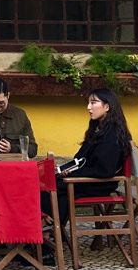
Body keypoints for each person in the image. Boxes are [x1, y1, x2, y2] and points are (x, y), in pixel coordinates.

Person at [47, 87, 133, 226]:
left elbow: (104, 170)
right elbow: (80, 158)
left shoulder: (112, 135)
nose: (88, 107)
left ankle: (51, 232)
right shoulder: (98, 128)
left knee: (49, 190)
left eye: (93, 103)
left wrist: (72, 176)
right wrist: (65, 169)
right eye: (88, 103)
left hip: (99, 184)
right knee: (47, 183)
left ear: (107, 106)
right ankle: (50, 230)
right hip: (86, 179)